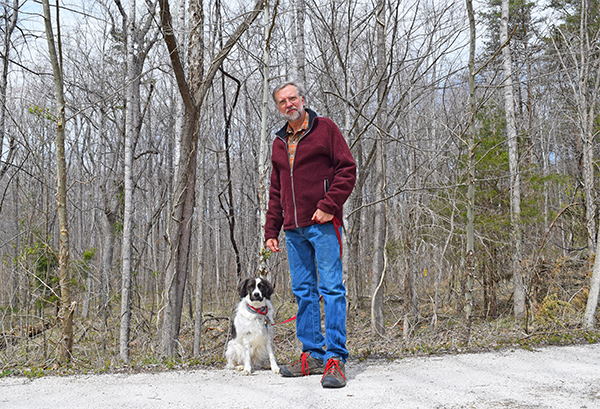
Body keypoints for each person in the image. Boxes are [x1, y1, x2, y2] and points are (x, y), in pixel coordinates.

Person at [264, 81, 356, 388]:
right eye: (282, 102)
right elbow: (276, 190)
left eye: (292, 98)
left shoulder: (325, 129)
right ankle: (312, 355)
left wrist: (329, 206)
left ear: (302, 100)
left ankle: (335, 359)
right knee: (303, 292)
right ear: (278, 107)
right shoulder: (279, 142)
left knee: (331, 289)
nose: (288, 104)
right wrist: (271, 229)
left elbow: (347, 169)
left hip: (322, 224)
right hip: (293, 230)